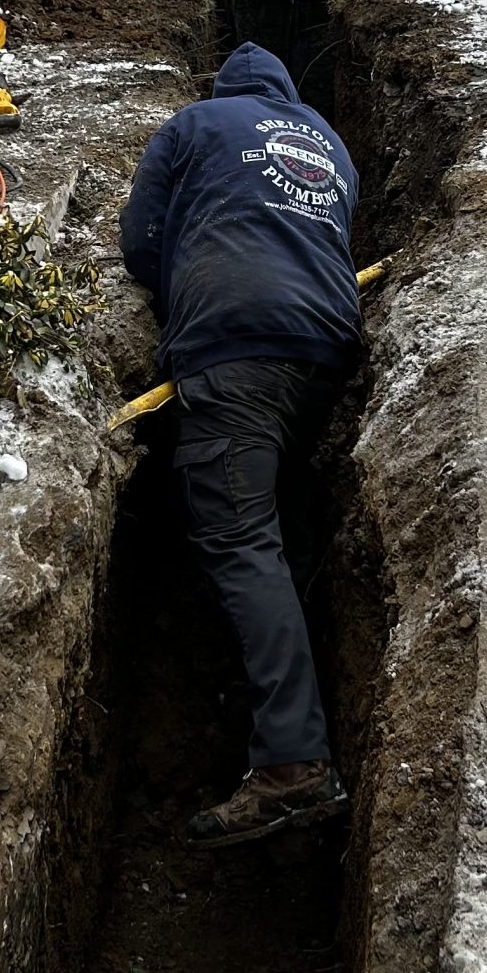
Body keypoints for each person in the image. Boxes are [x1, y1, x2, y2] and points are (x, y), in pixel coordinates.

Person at [119, 43, 362, 846]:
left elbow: (140, 237)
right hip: (325, 350)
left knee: (239, 535)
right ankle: (269, 687)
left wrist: (180, 292)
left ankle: (294, 764)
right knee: (270, 517)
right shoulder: (328, 142)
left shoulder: (195, 123)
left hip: (235, 350)